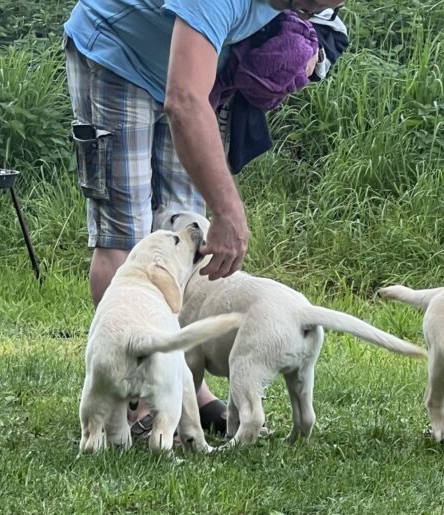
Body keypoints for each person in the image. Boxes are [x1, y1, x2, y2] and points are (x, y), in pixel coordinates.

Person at [63, 0, 345, 437]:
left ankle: (182, 390)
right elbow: (184, 101)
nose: (318, 9)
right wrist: (229, 211)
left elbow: (324, 36)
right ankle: (129, 404)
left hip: (188, 74)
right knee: (128, 237)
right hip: (118, 57)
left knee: (185, 243)